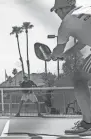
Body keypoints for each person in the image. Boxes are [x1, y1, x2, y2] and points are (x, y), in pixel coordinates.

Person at [50, 0, 91, 135]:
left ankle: (88, 124)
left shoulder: (66, 23)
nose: (57, 14)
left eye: (56, 11)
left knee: (80, 80)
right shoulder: (87, 7)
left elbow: (58, 49)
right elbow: (81, 43)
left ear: (63, 9)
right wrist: (66, 54)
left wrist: (54, 55)